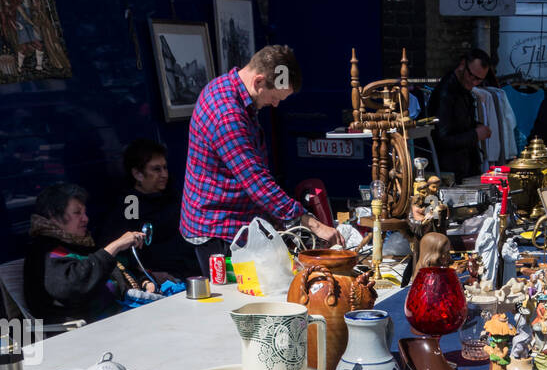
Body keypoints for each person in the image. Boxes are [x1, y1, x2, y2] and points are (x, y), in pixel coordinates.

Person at [180, 44, 339, 276]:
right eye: (275, 97)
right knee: (236, 299)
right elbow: (257, 181)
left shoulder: (231, 89)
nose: (275, 105)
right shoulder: (226, 113)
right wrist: (312, 223)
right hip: (219, 229)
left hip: (233, 220)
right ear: (259, 81)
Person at [24, 183, 151, 323]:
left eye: (84, 212)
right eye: (77, 213)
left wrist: (144, 281)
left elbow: (116, 268)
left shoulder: (79, 243)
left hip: (124, 315)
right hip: (90, 330)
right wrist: (115, 246)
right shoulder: (45, 252)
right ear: (53, 216)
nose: (86, 218)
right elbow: (72, 285)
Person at [100, 138, 198, 281]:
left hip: (189, 269)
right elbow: (129, 244)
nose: (164, 174)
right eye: (156, 169)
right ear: (138, 174)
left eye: (165, 168)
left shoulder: (172, 195)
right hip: (161, 277)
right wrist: (148, 275)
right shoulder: (131, 202)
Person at [427, 48, 492, 181]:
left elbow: (459, 123)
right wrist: (475, 134)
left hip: (464, 168)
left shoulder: (463, 89)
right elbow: (442, 138)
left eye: (479, 80)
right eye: (472, 76)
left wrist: (476, 127)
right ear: (463, 64)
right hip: (450, 172)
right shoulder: (445, 93)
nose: (474, 82)